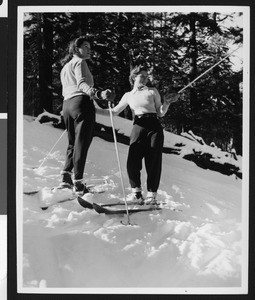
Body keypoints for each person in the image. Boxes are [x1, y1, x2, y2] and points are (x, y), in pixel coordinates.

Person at [110, 65, 180, 205]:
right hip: (138, 127)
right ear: (134, 77)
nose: (145, 78)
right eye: (142, 76)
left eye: (147, 77)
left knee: (153, 160)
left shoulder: (152, 91)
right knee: (132, 161)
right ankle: (136, 193)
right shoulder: (128, 95)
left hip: (154, 126)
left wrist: (166, 103)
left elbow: (160, 112)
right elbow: (113, 112)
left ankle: (151, 195)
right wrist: (93, 109)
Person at [59, 36, 115, 196]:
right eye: (85, 46)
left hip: (67, 106)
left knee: (72, 142)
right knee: (82, 143)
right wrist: (98, 93)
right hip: (81, 103)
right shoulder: (79, 62)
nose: (89, 49)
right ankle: (78, 182)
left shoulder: (65, 67)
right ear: (76, 49)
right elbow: (82, 83)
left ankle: (66, 176)